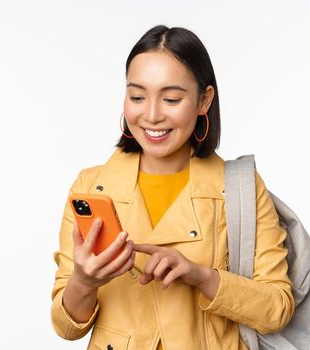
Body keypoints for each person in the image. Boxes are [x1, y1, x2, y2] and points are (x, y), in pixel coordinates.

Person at [49, 25, 295, 350]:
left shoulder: (239, 187)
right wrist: (84, 280)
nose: (151, 115)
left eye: (171, 99)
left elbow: (278, 309)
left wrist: (202, 276)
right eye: (137, 96)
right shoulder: (91, 187)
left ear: (204, 100)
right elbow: (67, 328)